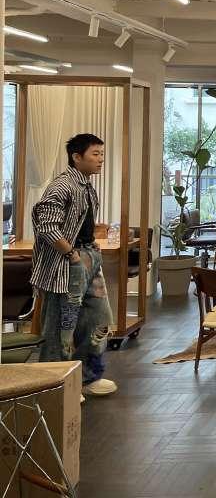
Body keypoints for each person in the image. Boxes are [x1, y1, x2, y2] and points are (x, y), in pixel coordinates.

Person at [31, 133, 116, 398]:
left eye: (102, 154)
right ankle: (56, 386)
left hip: (88, 256)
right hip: (66, 264)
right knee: (62, 326)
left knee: (99, 319)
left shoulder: (87, 186)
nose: (100, 159)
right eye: (95, 154)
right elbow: (46, 225)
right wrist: (71, 253)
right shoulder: (61, 186)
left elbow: (82, 223)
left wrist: (91, 246)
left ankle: (88, 377)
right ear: (77, 157)